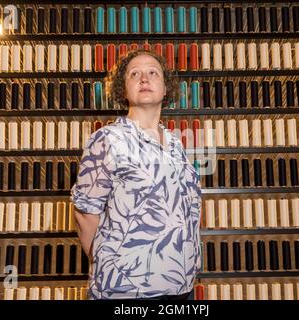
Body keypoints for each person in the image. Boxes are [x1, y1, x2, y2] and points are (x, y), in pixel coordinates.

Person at [70, 49, 202, 300]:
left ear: (165, 89)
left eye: (153, 72)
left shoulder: (176, 146)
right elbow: (85, 215)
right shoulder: (107, 139)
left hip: (182, 287)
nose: (144, 78)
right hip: (126, 291)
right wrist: (112, 265)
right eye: (135, 74)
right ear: (123, 89)